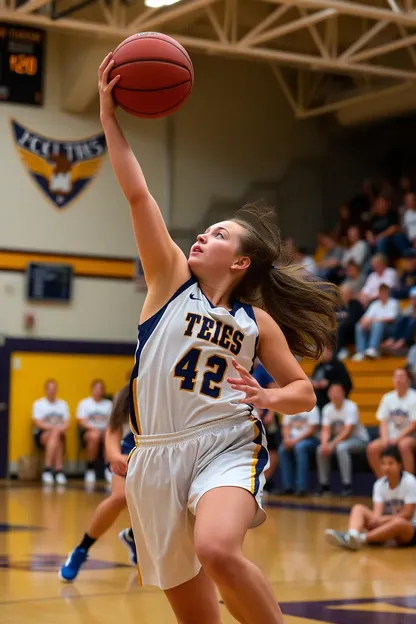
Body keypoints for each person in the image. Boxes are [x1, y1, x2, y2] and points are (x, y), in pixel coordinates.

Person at [98, 54, 338, 624]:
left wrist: (271, 398)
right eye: (205, 230)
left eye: (220, 233)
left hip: (226, 441)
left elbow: (303, 391)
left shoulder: (257, 324)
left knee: (218, 549)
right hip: (155, 456)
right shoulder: (168, 279)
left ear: (242, 260)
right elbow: (139, 196)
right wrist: (111, 117)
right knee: (197, 616)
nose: (204, 236)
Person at [59, 385, 136, 582]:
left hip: (161, 455)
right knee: (119, 497)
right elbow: (113, 429)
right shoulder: (129, 391)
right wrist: (115, 455)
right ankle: (81, 549)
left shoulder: (173, 388)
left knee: (159, 507)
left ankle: (133, 537)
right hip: (129, 452)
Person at [325, 446, 416, 550]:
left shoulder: (410, 481)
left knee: (398, 522)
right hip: (384, 526)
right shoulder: (379, 484)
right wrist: (378, 520)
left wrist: (383, 519)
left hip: (408, 530)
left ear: (399, 465)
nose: (386, 467)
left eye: (391, 463)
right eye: (383, 464)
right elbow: (376, 515)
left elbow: (408, 514)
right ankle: (352, 535)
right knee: (358, 508)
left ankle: (360, 539)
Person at [315, 384, 369, 497]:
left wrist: (332, 444)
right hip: (339, 441)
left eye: (337, 392)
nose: (334, 394)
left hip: (359, 440)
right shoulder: (327, 408)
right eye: (332, 392)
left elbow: (348, 431)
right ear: (329, 395)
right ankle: (324, 486)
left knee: (341, 448)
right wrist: (325, 444)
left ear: (343, 393)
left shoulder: (351, 406)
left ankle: (347, 485)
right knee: (321, 449)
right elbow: (326, 430)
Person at [367, 368, 416, 477]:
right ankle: (385, 481)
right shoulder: (387, 398)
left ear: (408, 379)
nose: (398, 379)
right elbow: (383, 421)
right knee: (372, 448)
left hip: (410, 436)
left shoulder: (414, 397)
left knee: (404, 445)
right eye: (396, 376)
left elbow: (414, 425)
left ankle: (409, 483)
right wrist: (385, 439)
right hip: (390, 437)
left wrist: (397, 439)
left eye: (402, 376)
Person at [32, 379, 70, 485]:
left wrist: (57, 429)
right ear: (45, 390)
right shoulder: (39, 404)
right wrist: (53, 428)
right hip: (42, 434)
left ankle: (48, 469)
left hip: (58, 433)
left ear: (56, 390)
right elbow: (38, 423)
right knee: (55, 434)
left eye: (54, 389)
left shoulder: (63, 404)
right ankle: (58, 470)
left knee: (56, 436)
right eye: (50, 389)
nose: (52, 391)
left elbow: (67, 423)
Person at [77, 379, 113, 484]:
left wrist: (106, 430)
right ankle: (90, 468)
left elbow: (113, 421)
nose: (98, 391)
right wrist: (94, 429)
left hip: (105, 430)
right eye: (96, 388)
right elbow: (81, 421)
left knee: (109, 436)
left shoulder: (108, 404)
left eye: (100, 389)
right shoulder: (85, 403)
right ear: (92, 389)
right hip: (89, 431)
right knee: (94, 436)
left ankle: (108, 468)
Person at [278, 406, 320, 496]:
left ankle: (302, 487)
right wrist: (287, 439)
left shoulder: (312, 407)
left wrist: (295, 441)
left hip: (310, 439)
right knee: (282, 449)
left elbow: (312, 429)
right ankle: (288, 487)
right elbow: (285, 427)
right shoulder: (289, 408)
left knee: (300, 447)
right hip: (293, 440)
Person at [251, 360, 279, 492]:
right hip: (255, 417)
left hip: (268, 418)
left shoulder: (262, 371)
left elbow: (273, 391)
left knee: (272, 450)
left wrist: (271, 413)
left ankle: (265, 481)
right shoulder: (247, 370)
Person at [352, 283, 400, 360]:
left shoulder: (393, 303)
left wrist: (373, 320)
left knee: (378, 324)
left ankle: (372, 348)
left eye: (384, 292)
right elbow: (365, 317)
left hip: (390, 329)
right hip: (374, 327)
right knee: (359, 325)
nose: (382, 294)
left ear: (388, 292)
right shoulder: (375, 304)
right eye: (381, 292)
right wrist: (363, 321)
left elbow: (392, 319)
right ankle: (360, 352)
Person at [310, 345, 352, 411]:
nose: (322, 354)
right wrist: (313, 383)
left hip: (333, 403)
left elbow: (347, 383)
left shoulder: (338, 365)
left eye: (324, 351)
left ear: (330, 351)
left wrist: (329, 383)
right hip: (319, 402)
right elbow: (314, 379)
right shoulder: (318, 366)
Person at [337, 284, 364, 360]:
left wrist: (342, 323)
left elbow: (354, 320)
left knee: (341, 327)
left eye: (346, 294)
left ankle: (341, 350)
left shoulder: (356, 305)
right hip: (340, 331)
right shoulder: (336, 306)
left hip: (353, 332)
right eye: (342, 294)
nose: (344, 296)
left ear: (350, 294)